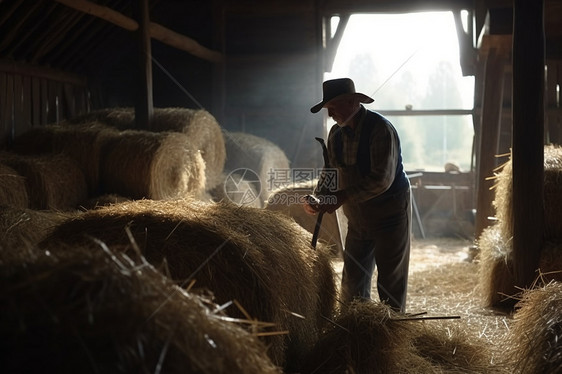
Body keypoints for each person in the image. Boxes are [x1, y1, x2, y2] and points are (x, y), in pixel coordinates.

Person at [305, 77, 411, 313]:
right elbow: (330, 172)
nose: (331, 114)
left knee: (390, 284)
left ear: (353, 102)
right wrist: (320, 196)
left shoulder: (380, 130)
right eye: (328, 109)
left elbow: (381, 180)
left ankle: (393, 339)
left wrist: (341, 197)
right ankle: (356, 333)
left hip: (389, 216)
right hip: (358, 219)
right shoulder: (336, 135)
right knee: (352, 285)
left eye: (334, 107)